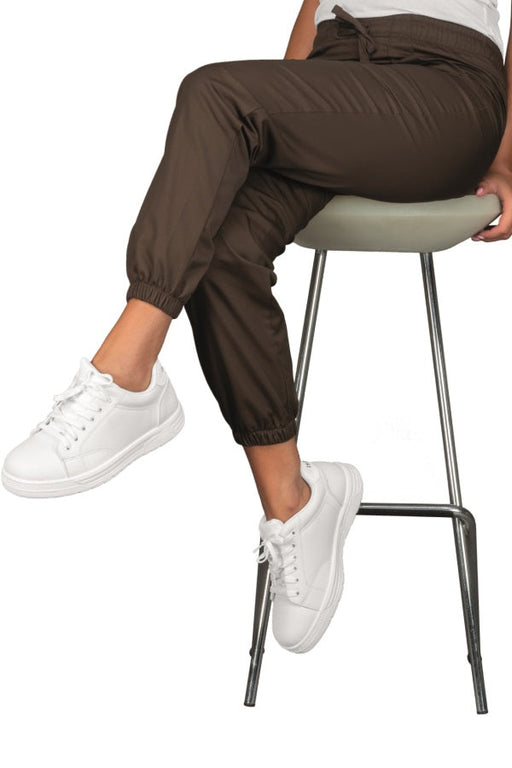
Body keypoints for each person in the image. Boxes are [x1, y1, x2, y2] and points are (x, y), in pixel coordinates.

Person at [2, 1, 512, 654]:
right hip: (338, 83)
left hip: (443, 91)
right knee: (221, 240)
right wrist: (276, 117)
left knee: (215, 92)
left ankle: (127, 374)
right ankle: (294, 501)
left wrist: (507, 157)